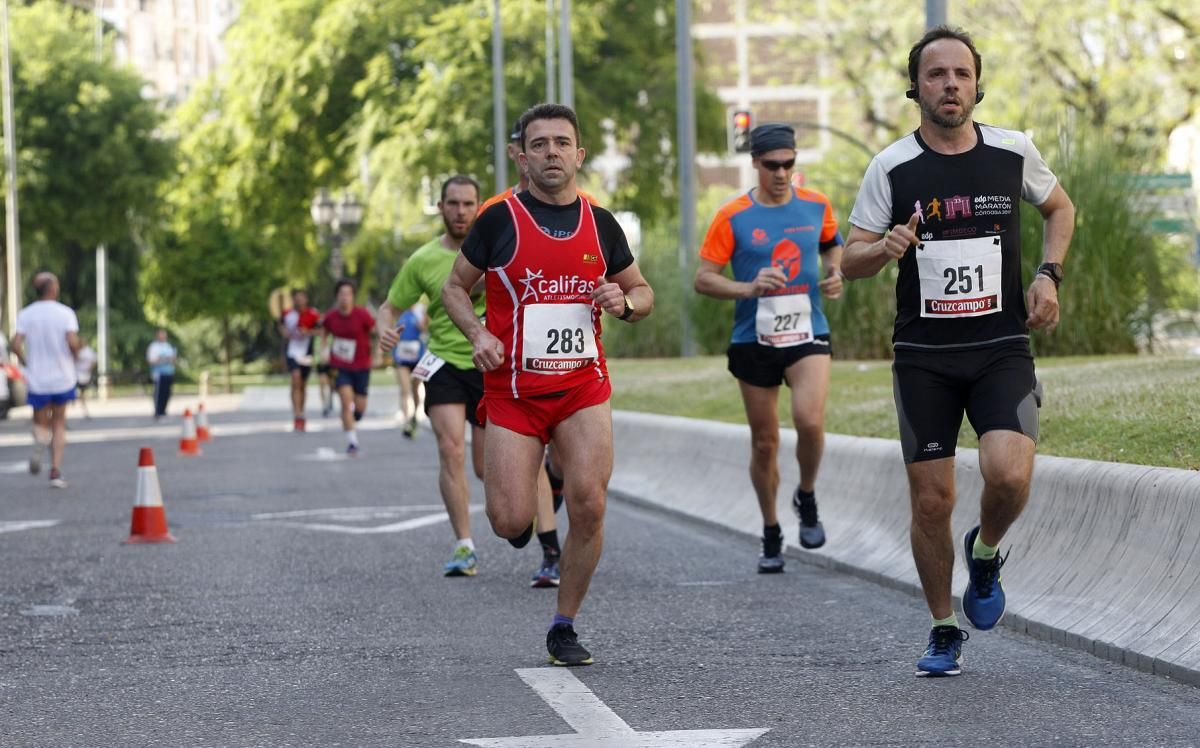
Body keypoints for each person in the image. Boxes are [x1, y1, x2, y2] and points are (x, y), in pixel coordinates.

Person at [842, 26, 1075, 677]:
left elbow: (1061, 210)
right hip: (925, 357)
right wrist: (880, 249)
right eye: (936, 74)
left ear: (976, 84)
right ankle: (944, 626)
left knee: (1007, 474)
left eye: (961, 74)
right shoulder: (892, 166)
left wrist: (1048, 276)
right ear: (914, 86)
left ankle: (988, 550)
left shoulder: (1012, 151)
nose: (950, 85)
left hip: (1001, 345)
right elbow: (849, 258)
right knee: (931, 502)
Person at [443, 103, 654, 666]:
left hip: (582, 387)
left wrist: (626, 303)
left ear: (580, 155)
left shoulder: (601, 223)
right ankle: (529, 508)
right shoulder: (498, 220)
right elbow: (454, 289)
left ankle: (564, 624)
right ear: (521, 155)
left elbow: (641, 291)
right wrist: (476, 334)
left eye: (562, 143)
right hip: (513, 393)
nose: (552, 153)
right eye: (539, 145)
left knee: (590, 502)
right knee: (509, 519)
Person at [694, 123, 845, 574]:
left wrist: (834, 274)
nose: (781, 173)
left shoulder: (816, 205)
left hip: (806, 331)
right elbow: (703, 278)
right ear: (755, 164)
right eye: (772, 165)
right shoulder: (733, 216)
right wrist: (748, 287)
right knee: (765, 443)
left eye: (789, 164)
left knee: (810, 421)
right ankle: (771, 529)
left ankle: (807, 494)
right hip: (753, 338)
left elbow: (832, 246)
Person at [378, 176, 489, 577]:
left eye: (468, 204)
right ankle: (465, 546)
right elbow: (389, 308)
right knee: (451, 450)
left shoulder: (497, 252)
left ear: (479, 207)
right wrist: (384, 329)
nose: (460, 212)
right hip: (442, 363)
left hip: (488, 365)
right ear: (440, 207)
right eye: (453, 204)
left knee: (484, 466)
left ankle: (525, 505)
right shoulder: (423, 259)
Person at [11, 272, 82, 488]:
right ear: (53, 289)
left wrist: (26, 362)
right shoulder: (66, 313)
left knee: (40, 424)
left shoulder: (26, 314)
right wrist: (77, 355)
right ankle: (55, 472)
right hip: (62, 377)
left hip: (38, 378)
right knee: (59, 423)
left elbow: (15, 344)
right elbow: (72, 342)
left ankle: (40, 441)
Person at [321, 279, 377, 455]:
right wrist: (323, 350)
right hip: (339, 365)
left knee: (359, 407)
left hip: (361, 364)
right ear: (337, 297)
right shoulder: (330, 317)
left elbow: (376, 332)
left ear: (353, 297)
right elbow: (324, 334)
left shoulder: (362, 315)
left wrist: (378, 353)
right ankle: (352, 442)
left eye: (348, 294)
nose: (345, 298)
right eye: (341, 294)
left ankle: (355, 418)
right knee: (346, 402)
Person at [280, 290, 321, 431]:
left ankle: (301, 412)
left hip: (306, 353)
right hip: (292, 352)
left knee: (302, 384)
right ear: (293, 300)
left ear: (306, 299)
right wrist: (284, 332)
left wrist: (308, 332)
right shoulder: (287, 314)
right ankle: (297, 414)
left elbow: (322, 331)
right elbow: (281, 327)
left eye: (302, 298)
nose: (299, 301)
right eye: (296, 299)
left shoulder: (313, 314)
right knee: (295, 379)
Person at [391, 302, 426, 439]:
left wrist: (419, 317)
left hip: (417, 356)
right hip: (401, 357)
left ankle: (414, 415)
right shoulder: (397, 309)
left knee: (415, 390)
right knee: (404, 390)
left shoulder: (421, 310)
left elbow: (424, 329)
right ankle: (406, 421)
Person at [146, 328, 177, 420]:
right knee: (159, 393)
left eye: (164, 334)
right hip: (159, 373)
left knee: (167, 393)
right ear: (157, 335)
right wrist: (161, 359)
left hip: (169, 372)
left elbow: (172, 359)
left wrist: (171, 359)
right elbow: (151, 360)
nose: (163, 336)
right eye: (161, 334)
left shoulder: (168, 346)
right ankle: (158, 411)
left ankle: (163, 411)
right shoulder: (153, 347)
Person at [74, 339, 97, 419]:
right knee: (80, 394)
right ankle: (85, 411)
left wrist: (89, 369)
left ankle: (85, 411)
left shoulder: (85, 351)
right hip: (77, 375)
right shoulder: (85, 351)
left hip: (81, 375)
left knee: (81, 394)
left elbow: (94, 361)